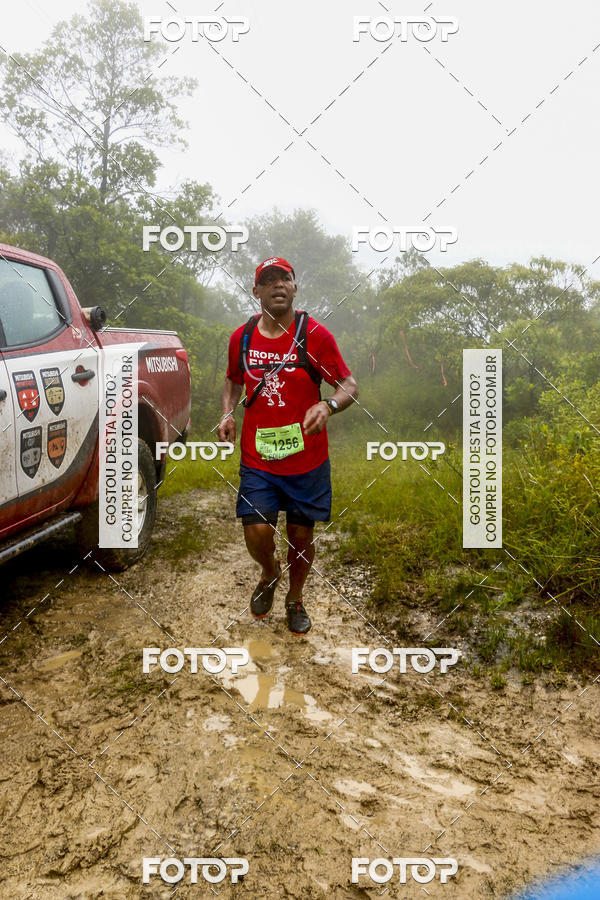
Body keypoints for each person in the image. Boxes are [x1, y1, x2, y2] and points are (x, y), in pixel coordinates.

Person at [217, 257, 358, 635]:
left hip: (306, 461)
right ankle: (269, 572)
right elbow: (232, 379)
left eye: (285, 278)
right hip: (258, 458)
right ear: (256, 291)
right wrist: (227, 414)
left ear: (295, 288)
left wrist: (327, 405)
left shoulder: (315, 336)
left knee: (300, 537)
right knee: (257, 531)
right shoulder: (242, 337)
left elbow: (348, 384)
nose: (278, 285)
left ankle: (295, 598)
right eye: (269, 280)